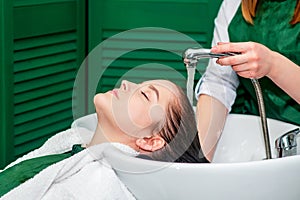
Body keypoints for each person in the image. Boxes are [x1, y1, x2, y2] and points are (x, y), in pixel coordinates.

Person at [0, 79, 207, 198]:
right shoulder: (72, 148)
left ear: (150, 141)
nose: (126, 82)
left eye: (145, 95)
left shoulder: (98, 189)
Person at [195, 0, 300, 161]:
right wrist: (198, 157)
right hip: (255, 135)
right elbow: (219, 82)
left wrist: (273, 65)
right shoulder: (234, 4)